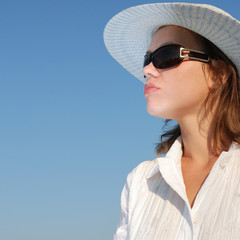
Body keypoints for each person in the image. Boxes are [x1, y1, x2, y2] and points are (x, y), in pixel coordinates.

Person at [104, 2, 240, 239]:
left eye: (166, 56)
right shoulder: (140, 183)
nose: (147, 69)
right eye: (147, 59)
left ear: (218, 74)